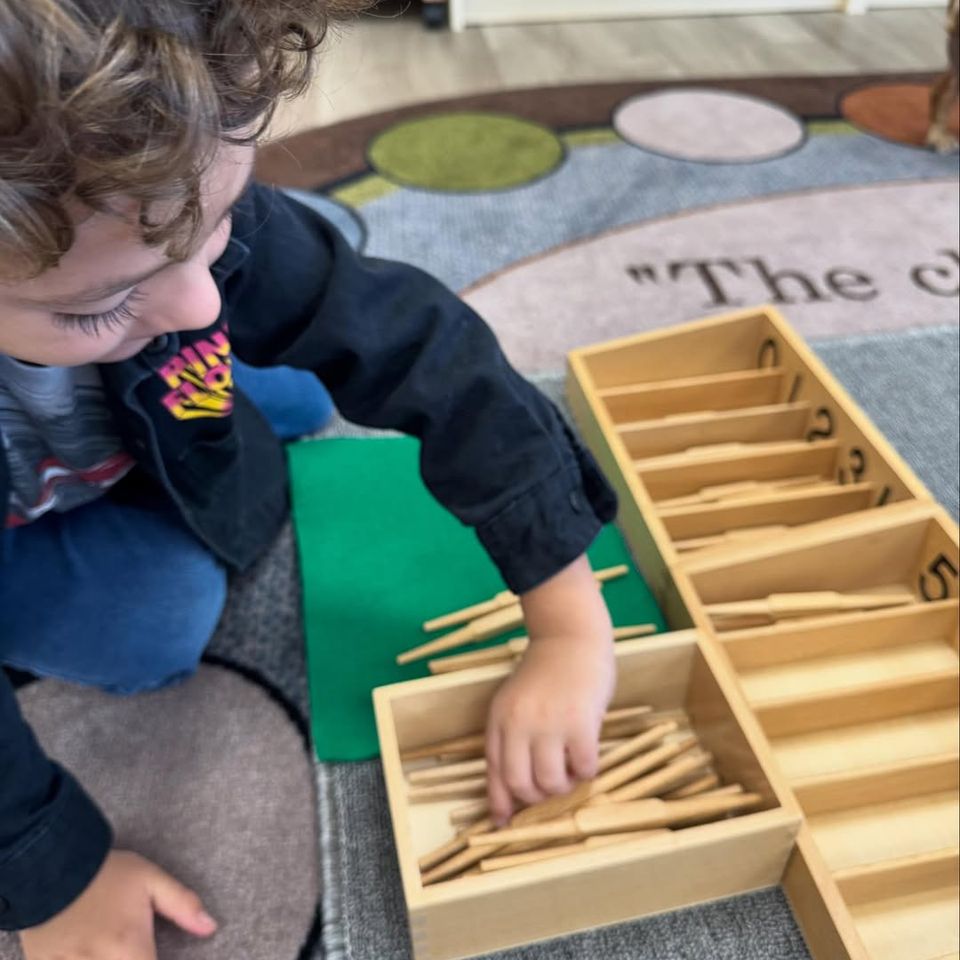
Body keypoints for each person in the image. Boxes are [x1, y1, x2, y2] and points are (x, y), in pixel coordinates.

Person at [0, 1, 619, 957]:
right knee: (153, 622)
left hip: (135, 432)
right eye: (103, 302)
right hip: (37, 519)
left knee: (280, 360)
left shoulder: (159, 199)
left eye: (211, 234)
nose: (199, 296)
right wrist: (55, 874)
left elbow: (422, 343)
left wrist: (568, 619)